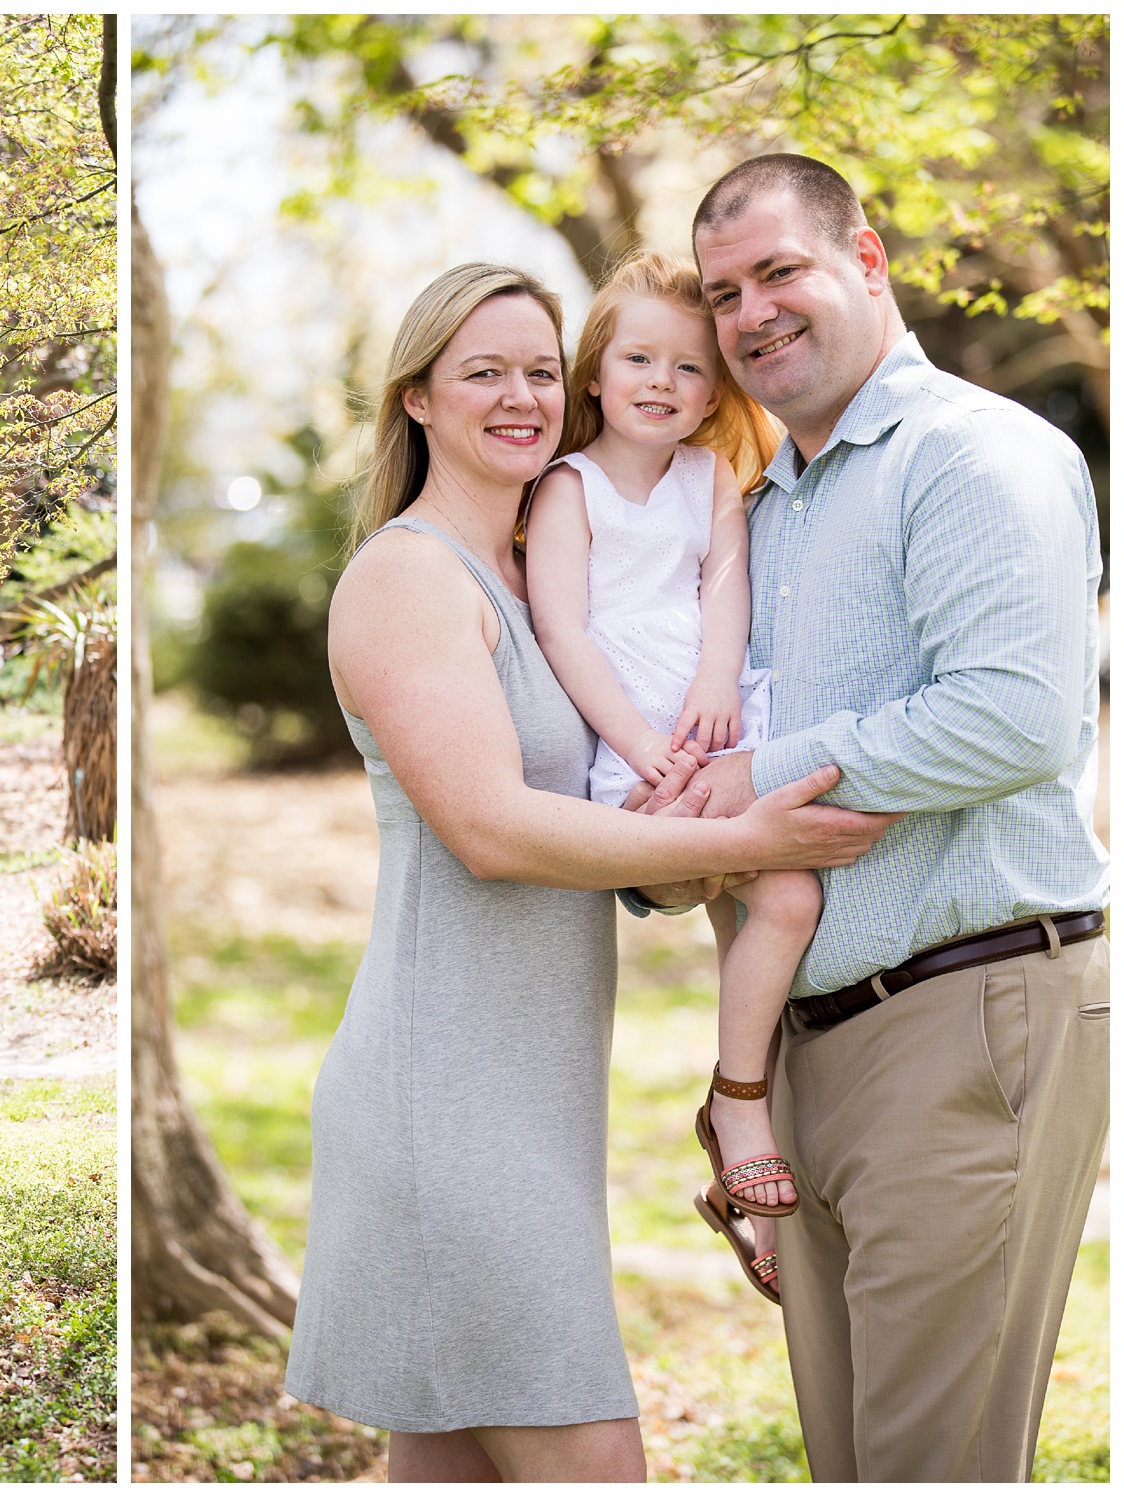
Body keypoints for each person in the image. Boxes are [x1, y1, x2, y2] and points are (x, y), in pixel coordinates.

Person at [281, 262, 898, 1482]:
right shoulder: (408, 576)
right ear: (414, 399)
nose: (518, 397)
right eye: (480, 373)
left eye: (533, 371)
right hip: (445, 1093)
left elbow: (606, 841)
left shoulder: (534, 573)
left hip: (530, 1089)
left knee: (447, 1462)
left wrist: (698, 847)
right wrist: (746, 844)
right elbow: (494, 833)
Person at [623, 152, 1109, 1483]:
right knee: (856, 1459)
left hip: (968, 1012)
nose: (752, 314)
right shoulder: (767, 504)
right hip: (808, 1049)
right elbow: (721, 770)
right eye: (724, 293)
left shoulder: (977, 455)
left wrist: (772, 779)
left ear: (868, 259)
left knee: (926, 1463)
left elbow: (1020, 715)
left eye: (782, 271)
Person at [526, 250, 814, 1302]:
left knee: (778, 911)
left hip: (719, 722)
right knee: (760, 898)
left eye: (688, 368)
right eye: (636, 357)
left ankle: (745, 1151)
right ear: (592, 374)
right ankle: (737, 1113)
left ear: (715, 391)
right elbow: (561, 629)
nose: (661, 381)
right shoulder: (570, 487)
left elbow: (725, 600)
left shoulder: (711, 482)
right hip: (633, 748)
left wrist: (709, 687)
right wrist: (643, 746)